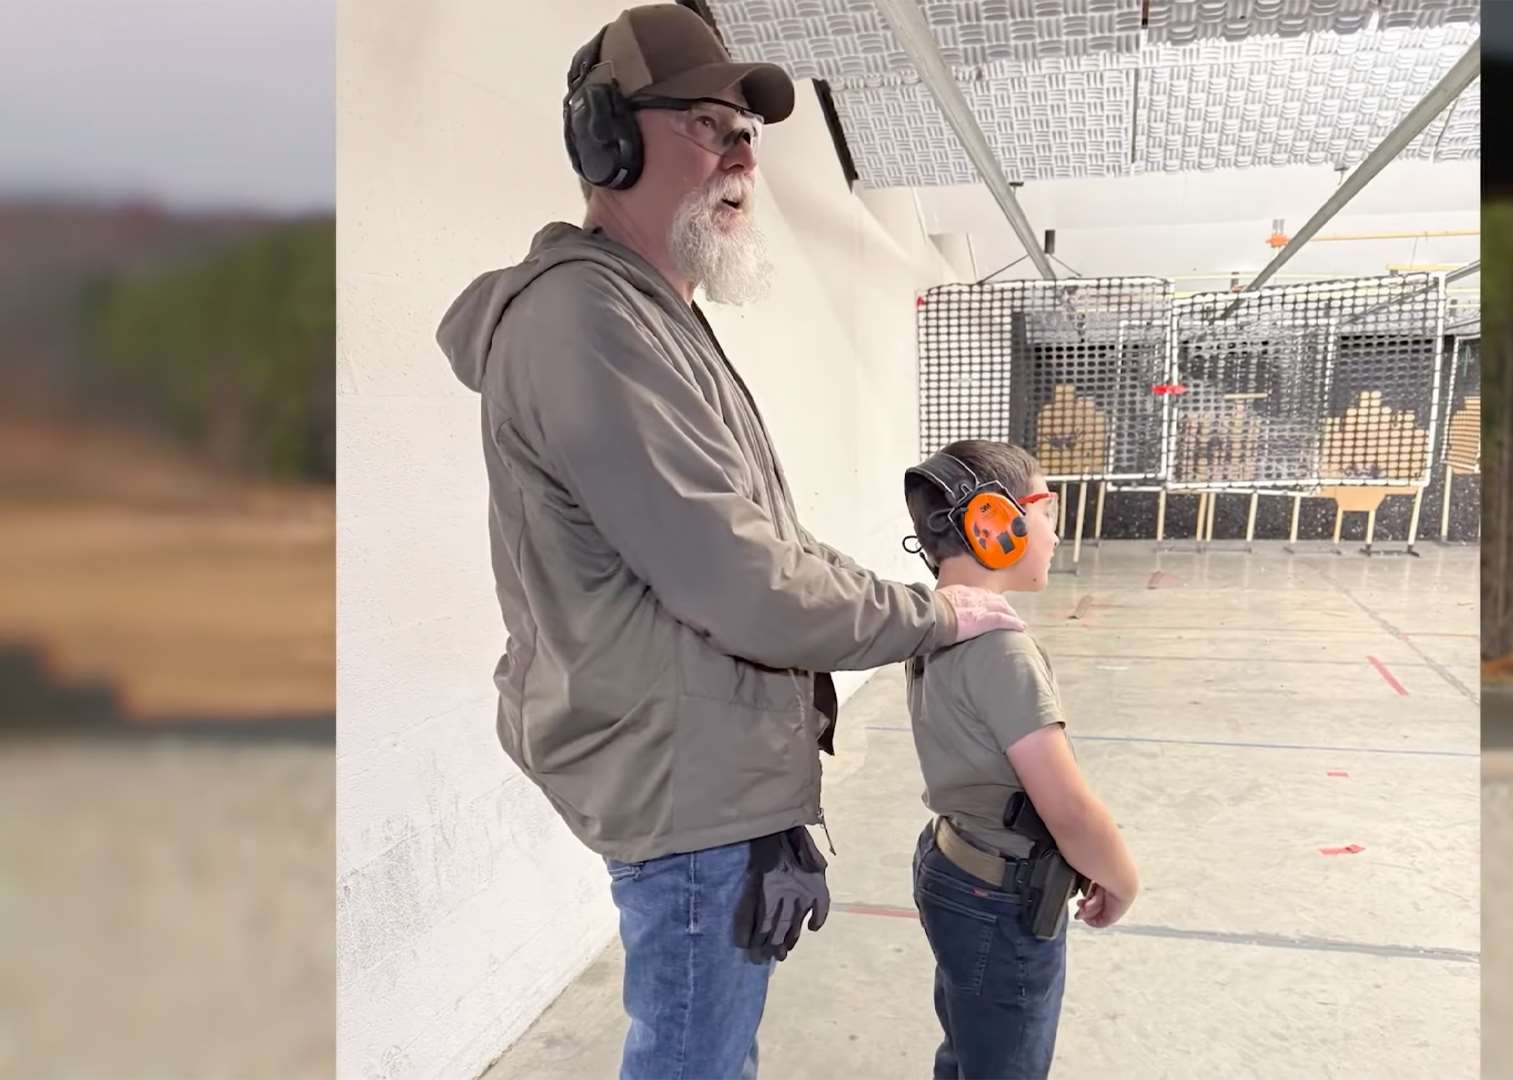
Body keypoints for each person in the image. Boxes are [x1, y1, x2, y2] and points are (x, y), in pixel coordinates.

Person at [435, 8, 1026, 1078]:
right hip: (681, 783)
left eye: (751, 131)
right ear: (606, 143)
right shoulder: (592, 323)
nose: (745, 152)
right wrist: (930, 613)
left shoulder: (656, 315)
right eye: (710, 123)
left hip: (706, 768)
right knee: (695, 1062)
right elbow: (746, 582)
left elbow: (763, 539)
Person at [901, 440, 1141, 1079]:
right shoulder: (1002, 651)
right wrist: (1121, 877)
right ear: (992, 523)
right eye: (1047, 509)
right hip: (998, 896)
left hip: (952, 865)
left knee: (969, 1050)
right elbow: (1064, 805)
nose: (1057, 533)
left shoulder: (932, 624)